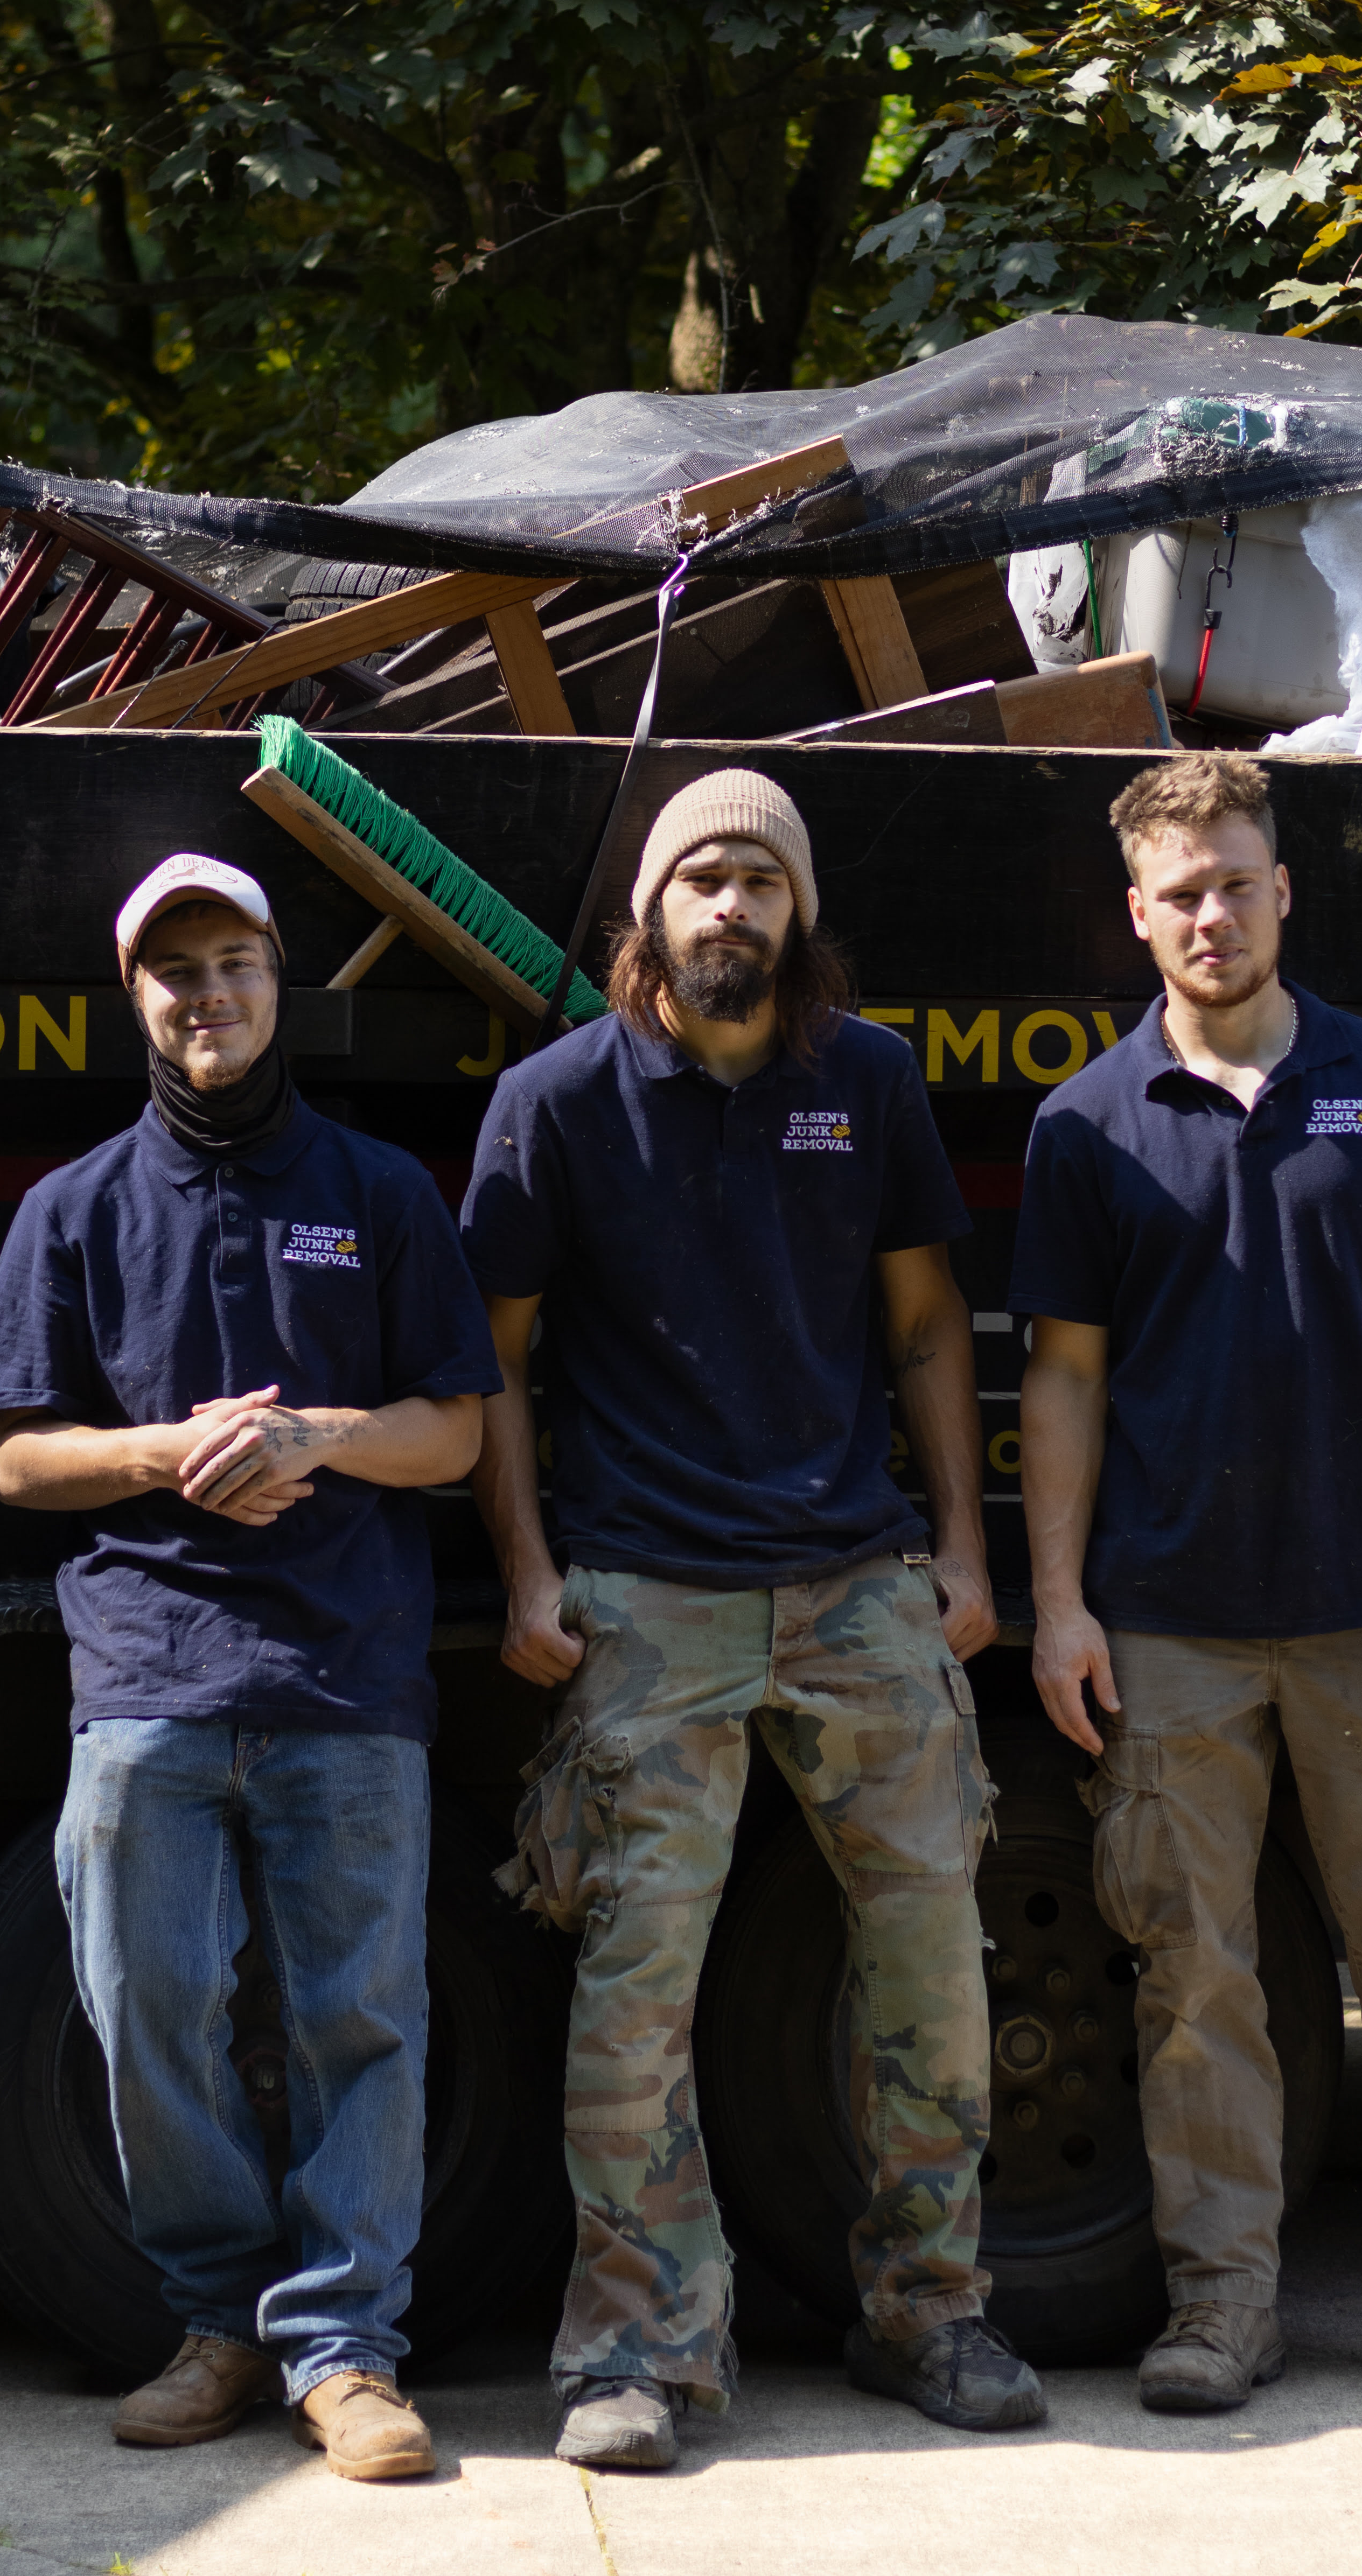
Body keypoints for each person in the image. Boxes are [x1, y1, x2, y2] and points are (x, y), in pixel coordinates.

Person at [460, 769, 1045, 2472]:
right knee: (638, 1985)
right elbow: (491, 1356)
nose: (732, 908)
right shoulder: (556, 1101)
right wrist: (522, 1571)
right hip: (647, 1592)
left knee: (933, 1961)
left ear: (801, 916)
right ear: (650, 911)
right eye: (702, 878)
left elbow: (932, 1327)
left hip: (858, 1585)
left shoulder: (865, 1084)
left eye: (761, 883)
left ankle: (932, 2310)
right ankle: (632, 2354)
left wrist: (965, 1555)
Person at [1014, 754, 1362, 2413]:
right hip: (1168, 1623)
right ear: (1138, 914)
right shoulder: (1087, 1125)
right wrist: (1059, 1601)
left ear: (1282, 891)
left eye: (1236, 881)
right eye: (1180, 891)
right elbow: (1062, 1378)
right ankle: (1221, 2309)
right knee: (1196, 1979)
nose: (1211, 914)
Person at [0, 852, 500, 2482]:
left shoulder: (382, 1191)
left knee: (364, 2018)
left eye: (237, 964)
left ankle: (346, 2354)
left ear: (284, 985)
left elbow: (459, 1429)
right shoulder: (74, 1209)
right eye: (175, 970)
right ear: (137, 1000)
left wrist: (318, 1437)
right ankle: (212, 2324)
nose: (210, 995)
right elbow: (9, 1459)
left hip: (347, 1674)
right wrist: (164, 1455)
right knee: (143, 2008)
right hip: (148, 1672)